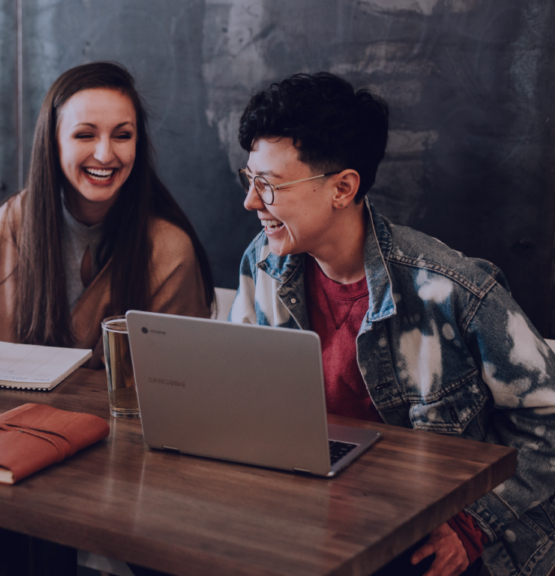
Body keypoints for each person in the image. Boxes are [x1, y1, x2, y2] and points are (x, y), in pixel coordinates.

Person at [228, 72, 555, 576]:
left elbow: (548, 421)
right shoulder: (264, 263)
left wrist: (472, 525)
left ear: (343, 188)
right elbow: (244, 396)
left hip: (433, 530)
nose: (251, 201)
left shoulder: (452, 290)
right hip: (313, 514)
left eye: (268, 185)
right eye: (249, 179)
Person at [0, 61, 214, 369]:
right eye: (85, 135)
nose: (105, 154)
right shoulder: (13, 222)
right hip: (4, 416)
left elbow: (178, 382)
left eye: (122, 135)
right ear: (54, 143)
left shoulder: (169, 250)